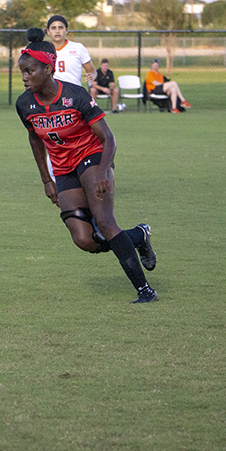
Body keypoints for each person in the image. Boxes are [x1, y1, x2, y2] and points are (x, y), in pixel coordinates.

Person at [16, 28, 158, 303]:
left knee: (104, 222)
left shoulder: (75, 95)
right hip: (63, 167)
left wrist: (104, 171)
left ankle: (145, 291)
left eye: (29, 71)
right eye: (21, 72)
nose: (24, 77)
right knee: (84, 239)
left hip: (92, 157)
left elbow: (109, 138)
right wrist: (47, 180)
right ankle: (138, 235)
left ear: (48, 69)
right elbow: (34, 138)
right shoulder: (24, 104)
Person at [46, 15, 96, 87]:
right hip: (52, 94)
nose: (57, 31)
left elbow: (91, 70)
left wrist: (92, 75)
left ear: (66, 30)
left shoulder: (78, 48)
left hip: (74, 93)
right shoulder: (44, 50)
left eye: (61, 27)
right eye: (53, 28)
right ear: (48, 31)